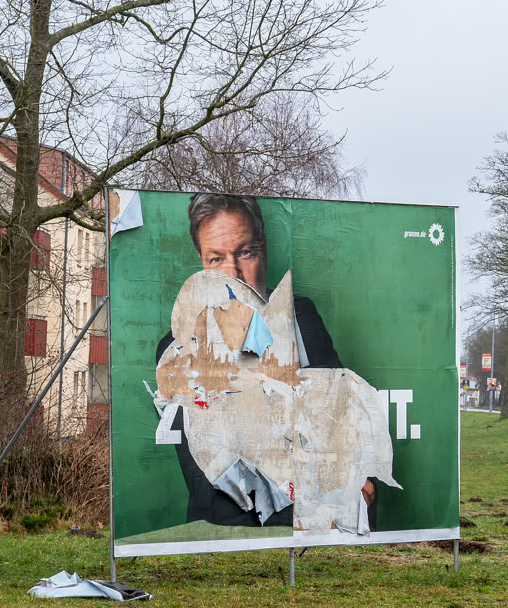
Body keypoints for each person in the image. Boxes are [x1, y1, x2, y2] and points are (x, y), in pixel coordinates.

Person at [155, 193, 378, 528]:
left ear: (264, 251)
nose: (233, 274)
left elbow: (337, 417)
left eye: (245, 253)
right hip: (227, 534)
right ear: (201, 262)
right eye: (216, 260)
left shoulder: (299, 315)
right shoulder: (178, 349)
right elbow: (218, 479)